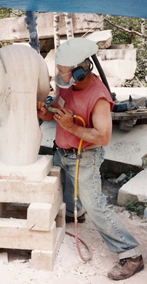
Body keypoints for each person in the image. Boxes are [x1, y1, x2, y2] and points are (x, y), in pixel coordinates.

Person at [37, 37, 144, 281]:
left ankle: (132, 254)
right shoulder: (68, 85)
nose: (59, 77)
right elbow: (59, 110)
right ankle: (77, 212)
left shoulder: (98, 97)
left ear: (79, 71)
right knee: (65, 192)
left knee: (96, 205)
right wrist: (47, 112)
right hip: (63, 152)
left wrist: (71, 127)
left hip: (85, 156)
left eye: (63, 73)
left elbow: (103, 137)